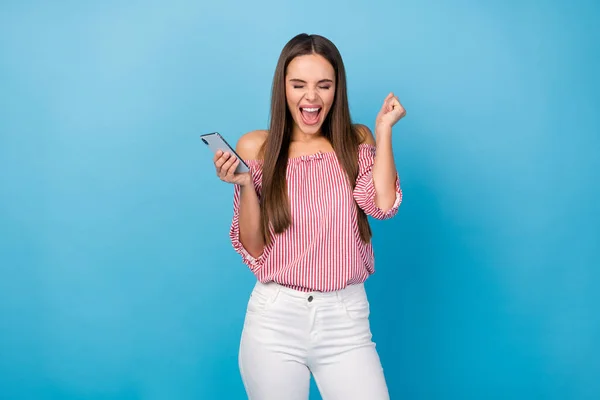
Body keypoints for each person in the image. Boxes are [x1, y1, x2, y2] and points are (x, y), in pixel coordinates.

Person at [212, 33, 406, 400]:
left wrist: (383, 131)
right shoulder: (257, 147)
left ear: (338, 89)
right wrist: (245, 184)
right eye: (298, 84)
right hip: (275, 319)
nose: (311, 97)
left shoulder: (356, 140)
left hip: (346, 320)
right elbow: (254, 247)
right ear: (282, 88)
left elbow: (381, 205)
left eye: (324, 85)